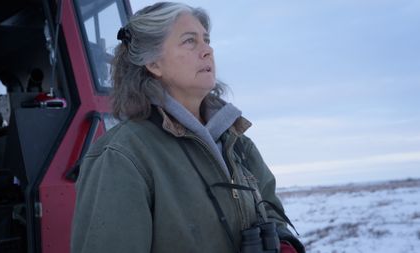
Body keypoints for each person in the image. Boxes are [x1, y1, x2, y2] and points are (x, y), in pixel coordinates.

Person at [71, 2, 305, 253]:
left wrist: (282, 242)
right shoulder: (122, 156)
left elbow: (269, 207)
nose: (207, 50)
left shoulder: (236, 143)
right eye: (189, 41)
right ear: (153, 63)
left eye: (206, 39)